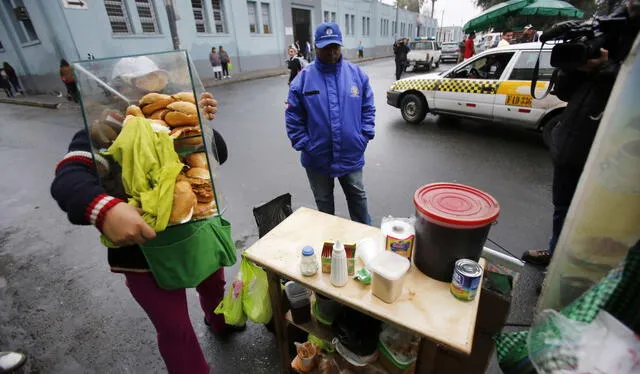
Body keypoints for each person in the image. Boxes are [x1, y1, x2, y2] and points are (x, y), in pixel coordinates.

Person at [51, 56, 236, 374]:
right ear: (119, 87)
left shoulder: (175, 116)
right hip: (142, 252)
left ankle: (219, 321)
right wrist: (104, 208)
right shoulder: (104, 128)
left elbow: (219, 153)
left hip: (195, 230)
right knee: (174, 327)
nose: (149, 88)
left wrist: (202, 125)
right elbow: (69, 177)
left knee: (214, 286)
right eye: (139, 82)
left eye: (155, 79)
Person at [522, 0, 640, 267]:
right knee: (563, 210)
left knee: (598, 223)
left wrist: (607, 70)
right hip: (574, 143)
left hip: (615, 155)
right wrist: (573, 66)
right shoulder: (609, 27)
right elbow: (565, 92)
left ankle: (573, 275)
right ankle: (556, 258)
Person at [286, 22, 375, 225]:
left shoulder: (357, 76)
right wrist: (306, 144)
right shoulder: (303, 80)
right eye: (326, 47)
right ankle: (329, 244)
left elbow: (367, 108)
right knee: (324, 206)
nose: (332, 52)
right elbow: (293, 117)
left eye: (335, 46)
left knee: (358, 199)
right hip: (317, 158)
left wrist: (364, 136)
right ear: (316, 47)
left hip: (350, 154)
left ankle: (366, 240)